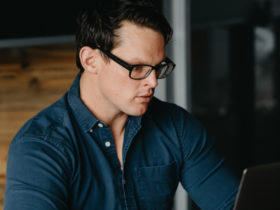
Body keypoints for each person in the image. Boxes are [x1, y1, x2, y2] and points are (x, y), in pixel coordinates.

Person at [4, 0, 239, 209]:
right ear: (91, 60)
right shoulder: (40, 147)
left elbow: (231, 204)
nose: (153, 81)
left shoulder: (176, 126)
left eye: (158, 67)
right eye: (137, 67)